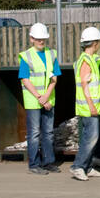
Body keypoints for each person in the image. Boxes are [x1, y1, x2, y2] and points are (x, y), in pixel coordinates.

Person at [19, 22, 60, 174]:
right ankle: (34, 164)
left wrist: (46, 97)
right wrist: (39, 97)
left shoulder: (51, 54)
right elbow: (25, 79)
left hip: (47, 100)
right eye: (38, 39)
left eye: (43, 38)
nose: (41, 41)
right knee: (34, 133)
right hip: (34, 101)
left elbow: (54, 77)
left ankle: (48, 162)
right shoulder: (26, 56)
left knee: (48, 132)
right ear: (31, 39)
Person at [71, 26, 100, 181]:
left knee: (89, 137)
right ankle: (78, 166)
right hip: (88, 107)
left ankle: (88, 166)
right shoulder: (86, 61)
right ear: (95, 43)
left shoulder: (87, 59)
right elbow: (85, 86)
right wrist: (91, 105)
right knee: (91, 138)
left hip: (89, 107)